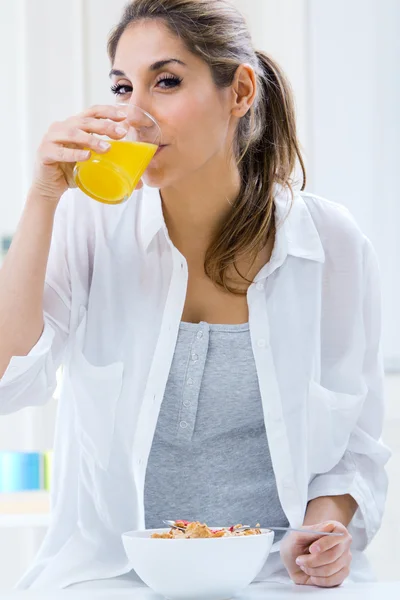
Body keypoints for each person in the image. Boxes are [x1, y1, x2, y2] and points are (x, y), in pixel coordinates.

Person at [0, 0, 391, 591]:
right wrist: (42, 198)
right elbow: (9, 380)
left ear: (238, 91)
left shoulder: (330, 244)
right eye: (122, 87)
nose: (136, 114)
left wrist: (325, 529)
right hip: (114, 577)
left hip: (275, 579)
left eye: (166, 82)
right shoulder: (92, 228)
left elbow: (354, 446)